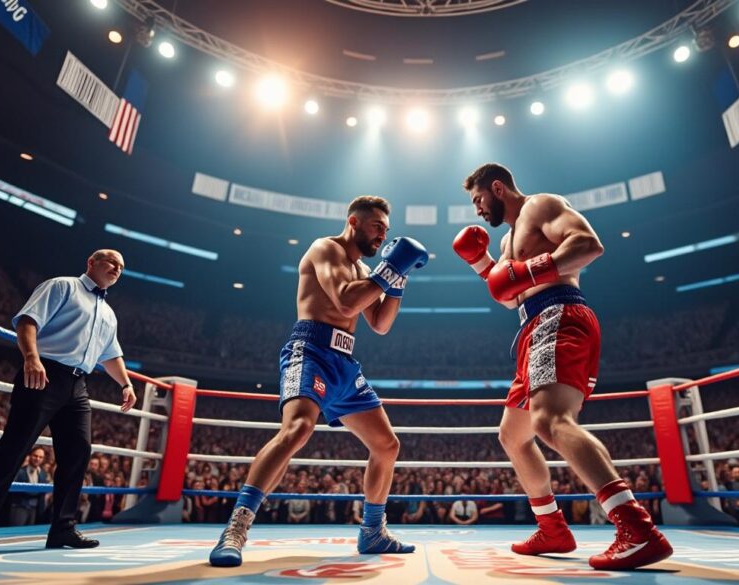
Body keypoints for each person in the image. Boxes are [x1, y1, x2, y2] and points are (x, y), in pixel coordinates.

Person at [455, 163, 671, 570]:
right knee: (513, 435)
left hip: (559, 315)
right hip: (532, 326)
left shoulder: (541, 206)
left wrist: (528, 269)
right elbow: (509, 296)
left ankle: (636, 528)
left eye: (479, 200)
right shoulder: (506, 244)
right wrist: (481, 263)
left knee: (551, 421)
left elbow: (589, 245)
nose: (478, 211)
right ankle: (552, 527)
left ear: (497, 188)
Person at [209, 196, 428, 567]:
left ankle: (373, 531)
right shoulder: (325, 248)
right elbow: (344, 303)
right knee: (297, 429)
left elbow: (380, 324)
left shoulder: (363, 272)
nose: (382, 236)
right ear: (354, 222)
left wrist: (397, 278)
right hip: (309, 350)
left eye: (386, 231)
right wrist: (387, 270)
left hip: (344, 362)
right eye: (377, 227)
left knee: (387, 445)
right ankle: (236, 527)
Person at [0, 250, 137, 555]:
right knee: (13, 450)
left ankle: (62, 528)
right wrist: (31, 358)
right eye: (112, 263)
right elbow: (27, 322)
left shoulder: (109, 312)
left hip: (78, 384)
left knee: (78, 452)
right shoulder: (62, 286)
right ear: (91, 262)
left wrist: (126, 383)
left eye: (122, 267)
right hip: (44, 372)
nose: (117, 269)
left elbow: (111, 355)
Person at [9, 447, 50, 526]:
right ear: (30, 456)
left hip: (34, 510)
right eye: (35, 456)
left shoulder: (43, 474)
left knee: (29, 533)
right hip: (19, 507)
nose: (37, 459)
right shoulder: (19, 472)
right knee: (16, 533)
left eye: (40, 457)